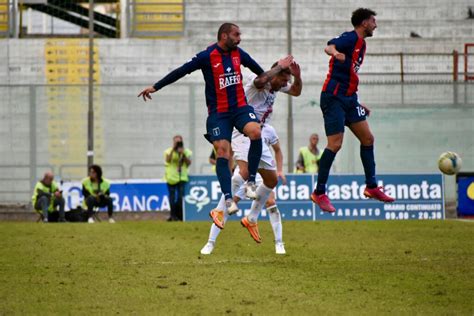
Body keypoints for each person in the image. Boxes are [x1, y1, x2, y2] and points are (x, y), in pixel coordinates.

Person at [138, 22, 294, 214]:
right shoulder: (206, 56)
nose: (240, 38)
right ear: (224, 36)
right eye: (236, 35)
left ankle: (251, 181)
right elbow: (181, 71)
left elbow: (260, 74)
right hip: (219, 113)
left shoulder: (239, 54)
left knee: (255, 132)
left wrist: (278, 69)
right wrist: (156, 86)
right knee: (222, 152)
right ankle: (228, 199)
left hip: (240, 108)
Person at [201, 60, 302, 254]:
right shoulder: (260, 83)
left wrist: (297, 76)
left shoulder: (277, 87)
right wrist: (279, 67)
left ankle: (252, 218)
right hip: (243, 129)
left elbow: (296, 92)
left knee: (271, 180)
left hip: (260, 135)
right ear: (276, 74)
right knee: (244, 173)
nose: (285, 83)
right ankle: (215, 227)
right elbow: (259, 81)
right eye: (284, 79)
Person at [311, 8, 395, 213]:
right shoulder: (350, 38)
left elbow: (349, 74)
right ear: (364, 23)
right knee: (335, 144)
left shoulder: (362, 45)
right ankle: (319, 192)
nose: (376, 25)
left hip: (349, 99)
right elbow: (329, 47)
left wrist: (358, 103)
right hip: (333, 98)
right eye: (373, 21)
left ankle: (371, 187)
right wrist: (335, 53)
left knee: (368, 139)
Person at [164, 135, 192, 221]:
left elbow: (188, 163)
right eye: (176, 142)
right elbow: (168, 160)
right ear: (173, 142)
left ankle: (177, 215)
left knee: (180, 198)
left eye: (179, 142)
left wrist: (183, 153)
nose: (178, 144)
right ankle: (173, 216)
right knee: (172, 198)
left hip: (181, 177)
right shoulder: (168, 151)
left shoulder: (186, 151)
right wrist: (173, 149)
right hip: (171, 177)